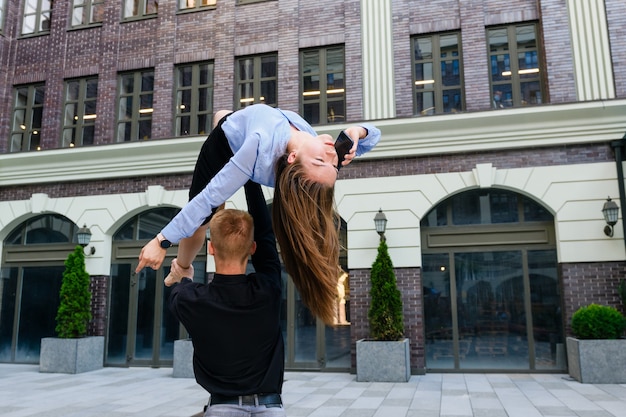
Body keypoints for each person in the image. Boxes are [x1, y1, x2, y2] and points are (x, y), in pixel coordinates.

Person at [136, 104, 381, 325]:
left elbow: (208, 196)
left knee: (205, 217)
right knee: (222, 115)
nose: (331, 155)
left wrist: (162, 240)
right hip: (244, 130)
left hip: (226, 148)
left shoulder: (258, 143)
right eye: (332, 163)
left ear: (293, 157)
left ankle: (182, 268)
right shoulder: (323, 155)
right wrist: (357, 132)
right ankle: (225, 122)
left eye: (320, 160)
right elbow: (375, 135)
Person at [168, 181, 285, 416]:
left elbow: (180, 282)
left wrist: (183, 275)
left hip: (221, 409)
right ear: (252, 248)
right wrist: (248, 176)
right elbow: (265, 234)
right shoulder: (268, 289)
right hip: (271, 408)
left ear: (211, 248)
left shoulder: (191, 300)